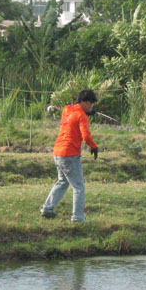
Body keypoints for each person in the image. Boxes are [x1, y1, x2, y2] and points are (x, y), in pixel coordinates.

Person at [40, 89, 99, 222]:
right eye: (89, 103)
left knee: (62, 182)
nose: (91, 106)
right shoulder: (81, 116)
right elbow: (86, 136)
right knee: (79, 187)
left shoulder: (67, 109)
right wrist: (94, 147)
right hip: (69, 154)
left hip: (58, 152)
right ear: (83, 101)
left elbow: (73, 119)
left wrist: (87, 112)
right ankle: (77, 218)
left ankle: (47, 209)